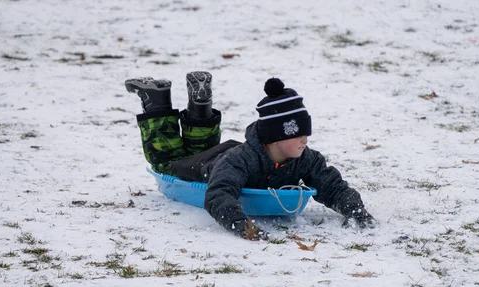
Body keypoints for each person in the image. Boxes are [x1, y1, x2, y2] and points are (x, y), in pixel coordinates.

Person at [125, 72, 375, 240]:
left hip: (221, 153)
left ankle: (200, 104)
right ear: (276, 136)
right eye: (298, 134)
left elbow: (331, 184)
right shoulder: (240, 160)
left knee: (202, 145)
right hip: (206, 165)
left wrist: (354, 209)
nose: (305, 139)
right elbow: (218, 193)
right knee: (167, 161)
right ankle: (155, 99)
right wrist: (240, 224)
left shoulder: (306, 158)